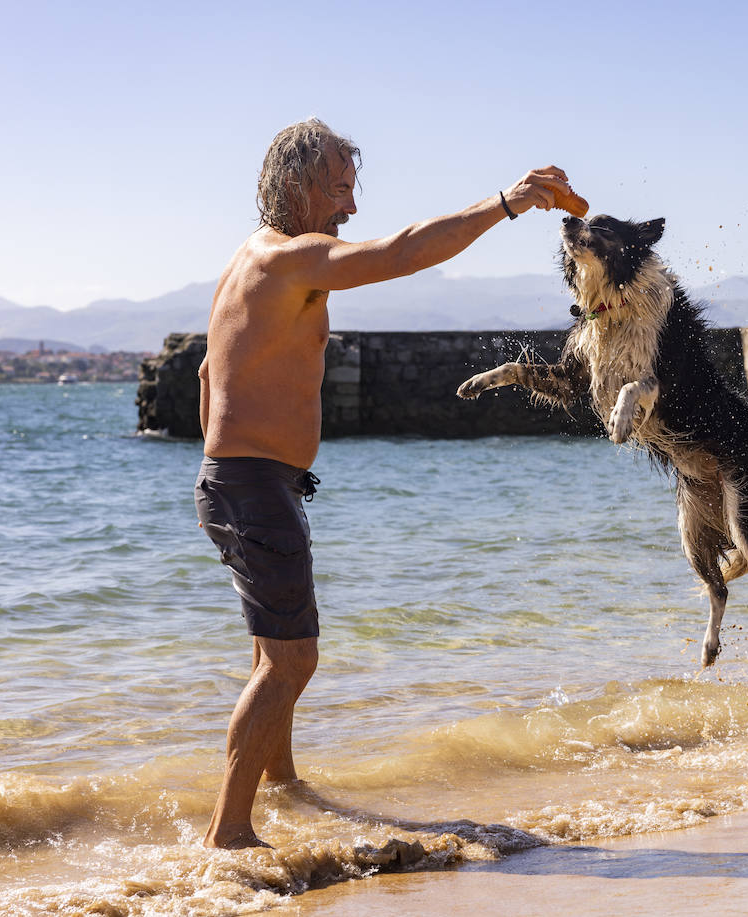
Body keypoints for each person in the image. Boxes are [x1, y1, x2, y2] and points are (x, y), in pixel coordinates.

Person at [192, 119, 572, 849]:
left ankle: (283, 784)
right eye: (339, 190)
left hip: (248, 482)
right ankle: (228, 832)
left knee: (273, 651)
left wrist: (227, 466)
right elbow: (401, 252)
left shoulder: (247, 260)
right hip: (253, 485)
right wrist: (507, 202)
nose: (349, 209)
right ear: (298, 185)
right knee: (293, 659)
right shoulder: (292, 259)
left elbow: (210, 373)